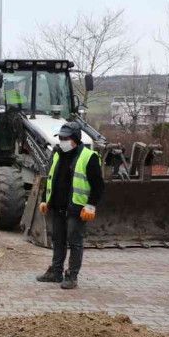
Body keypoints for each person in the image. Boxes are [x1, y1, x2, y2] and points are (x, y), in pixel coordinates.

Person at [36, 121, 104, 289]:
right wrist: (46, 200)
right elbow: (50, 178)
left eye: (65, 138)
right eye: (60, 137)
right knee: (58, 240)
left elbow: (98, 186)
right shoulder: (57, 154)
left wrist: (91, 206)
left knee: (75, 242)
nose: (62, 141)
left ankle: (72, 276)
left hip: (76, 209)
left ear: (75, 139)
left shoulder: (89, 157)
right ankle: (55, 272)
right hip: (58, 206)